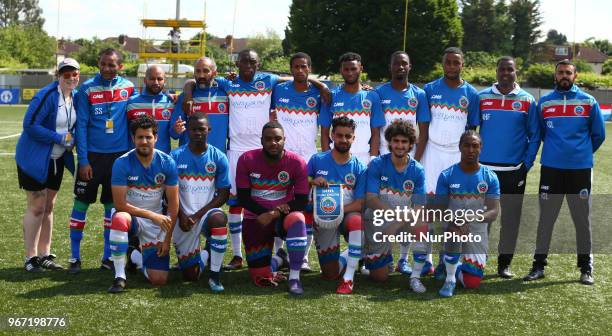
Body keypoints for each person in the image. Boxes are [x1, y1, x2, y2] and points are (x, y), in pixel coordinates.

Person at [181, 49, 329, 271]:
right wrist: (187, 92)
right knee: (236, 204)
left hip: (267, 148)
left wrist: (322, 85)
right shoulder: (228, 83)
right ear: (237, 64)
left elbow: (296, 77)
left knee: (282, 198)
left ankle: (283, 251)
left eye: (252, 61)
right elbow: (197, 79)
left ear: (259, 63)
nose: (248, 65)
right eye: (243, 61)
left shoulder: (268, 81)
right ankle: (238, 255)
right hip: (237, 151)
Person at [523, 59, 605, 285]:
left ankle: (586, 267)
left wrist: (582, 153)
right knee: (546, 219)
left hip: (579, 171)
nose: (564, 76)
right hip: (551, 170)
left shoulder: (589, 102)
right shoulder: (545, 103)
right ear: (555, 75)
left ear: (575, 76)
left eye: (568, 72)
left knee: (581, 220)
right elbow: (538, 134)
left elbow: (598, 135)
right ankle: (538, 265)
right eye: (560, 72)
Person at [69, 48, 138, 273]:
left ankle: (108, 258)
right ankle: (74, 257)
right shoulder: (87, 89)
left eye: (112, 65)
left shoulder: (128, 88)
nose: (107, 68)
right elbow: (81, 126)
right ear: (98, 64)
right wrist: (84, 160)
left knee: (112, 209)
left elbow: (132, 124)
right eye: (103, 64)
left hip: (118, 159)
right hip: (92, 158)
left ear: (120, 66)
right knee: (81, 205)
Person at [15, 58, 80, 272]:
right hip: (33, 158)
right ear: (58, 76)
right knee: (37, 206)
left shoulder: (75, 97)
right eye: (66, 74)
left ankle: (45, 254)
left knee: (49, 205)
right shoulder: (47, 95)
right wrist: (58, 138)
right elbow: (30, 124)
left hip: (57, 158)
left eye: (74, 74)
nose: (70, 78)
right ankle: (30, 258)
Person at [421, 47, 480, 276]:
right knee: (427, 209)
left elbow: (471, 131)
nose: (452, 66)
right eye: (448, 62)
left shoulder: (472, 94)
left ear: (462, 65)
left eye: (456, 63)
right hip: (432, 153)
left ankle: (448, 261)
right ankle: (426, 259)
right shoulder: (429, 89)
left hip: (456, 156)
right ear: (443, 64)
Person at [478, 56, 539, 278]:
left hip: (514, 171)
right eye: (502, 69)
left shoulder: (527, 100)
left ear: (516, 72)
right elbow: (471, 129)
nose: (505, 73)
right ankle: (478, 261)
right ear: (496, 71)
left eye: (510, 69)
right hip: (484, 171)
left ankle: (504, 264)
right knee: (483, 219)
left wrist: (526, 165)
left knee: (510, 221)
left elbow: (535, 136)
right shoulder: (482, 97)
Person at [235, 121, 310, 295]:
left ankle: (294, 277)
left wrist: (274, 213)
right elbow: (243, 198)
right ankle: (278, 259)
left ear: (284, 140)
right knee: (261, 276)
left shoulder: (297, 162)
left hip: (282, 218)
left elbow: (301, 200)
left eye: (277, 139)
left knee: (298, 219)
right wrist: (264, 214)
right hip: (256, 218)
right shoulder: (246, 159)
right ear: (261, 141)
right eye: (268, 139)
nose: (273, 143)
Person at [107, 114, 179, 293]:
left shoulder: (167, 162)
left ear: (156, 138)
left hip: (157, 223)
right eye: (140, 137)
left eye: (148, 137)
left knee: (159, 280)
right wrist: (152, 215)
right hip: (134, 218)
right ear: (133, 139)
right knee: (119, 218)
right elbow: (120, 204)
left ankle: (134, 256)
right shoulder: (121, 163)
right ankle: (119, 276)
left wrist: (166, 238)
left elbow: (173, 206)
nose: (144, 141)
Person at [374, 51, 429, 275]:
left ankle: (404, 259)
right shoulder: (378, 93)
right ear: (390, 67)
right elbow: (375, 129)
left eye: (404, 63)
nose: (400, 67)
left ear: (410, 66)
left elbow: (423, 132)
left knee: (410, 210)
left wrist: (413, 162)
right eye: (396, 63)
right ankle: (380, 254)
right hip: (384, 158)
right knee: (381, 209)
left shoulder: (420, 94)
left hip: (409, 159)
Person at [270, 52, 322, 272]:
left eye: (304, 66)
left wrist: (321, 85)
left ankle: (303, 257)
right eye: (296, 67)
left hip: (309, 157)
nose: (300, 70)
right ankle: (278, 251)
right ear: (290, 69)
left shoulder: (319, 95)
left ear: (309, 68)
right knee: (279, 202)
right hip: (284, 157)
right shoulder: (278, 90)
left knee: (307, 206)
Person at [364, 120, 428, 292]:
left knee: (424, 226)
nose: (400, 145)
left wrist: (396, 223)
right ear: (390, 142)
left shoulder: (418, 170)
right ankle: (361, 253)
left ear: (411, 144)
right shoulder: (377, 164)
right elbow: (371, 199)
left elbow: (419, 206)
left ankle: (415, 277)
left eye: (404, 142)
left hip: (402, 221)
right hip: (378, 220)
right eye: (396, 141)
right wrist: (395, 217)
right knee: (380, 278)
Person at [435, 131, 500, 297]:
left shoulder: (490, 177)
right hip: (452, 227)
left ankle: (451, 264)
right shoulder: (446, 175)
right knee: (455, 232)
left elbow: (493, 212)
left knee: (472, 283)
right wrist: (456, 220)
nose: (471, 150)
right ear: (460, 147)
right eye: (467, 145)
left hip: (477, 231)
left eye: (475, 146)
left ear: (481, 148)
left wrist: (468, 218)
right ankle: (449, 279)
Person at [171, 112, 230, 292]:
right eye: (193, 129)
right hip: (181, 217)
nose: (198, 133)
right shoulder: (174, 156)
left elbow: (223, 195)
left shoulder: (218, 157)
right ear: (187, 130)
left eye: (201, 129)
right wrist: (181, 215)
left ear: (209, 130)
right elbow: (168, 193)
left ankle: (215, 276)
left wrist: (197, 216)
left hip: (204, 215)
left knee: (220, 220)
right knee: (191, 276)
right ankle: (207, 253)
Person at [308, 116, 367, 294]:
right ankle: (356, 254)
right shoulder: (317, 160)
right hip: (324, 219)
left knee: (358, 222)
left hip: (347, 215)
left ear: (353, 138)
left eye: (348, 136)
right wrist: (312, 181)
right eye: (339, 135)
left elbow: (360, 203)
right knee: (330, 274)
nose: (343, 140)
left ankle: (356, 260)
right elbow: (301, 182)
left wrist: (337, 210)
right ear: (332, 135)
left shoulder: (359, 167)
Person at [320, 52, 385, 164]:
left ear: (361, 69)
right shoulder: (332, 96)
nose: (350, 73)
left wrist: (373, 159)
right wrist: (326, 160)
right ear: (341, 70)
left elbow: (375, 133)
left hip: (364, 158)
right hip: (336, 158)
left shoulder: (372, 96)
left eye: (354, 69)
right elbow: (324, 133)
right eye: (346, 69)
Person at [170, 57, 229, 153]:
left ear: (214, 73)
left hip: (218, 157)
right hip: (189, 158)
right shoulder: (185, 97)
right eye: (198, 71)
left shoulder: (226, 95)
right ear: (194, 73)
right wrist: (177, 129)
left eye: (206, 71)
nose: (201, 75)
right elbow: (173, 134)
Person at [127, 65, 176, 154]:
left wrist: (177, 130)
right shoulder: (131, 103)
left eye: (160, 79)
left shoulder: (171, 103)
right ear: (145, 80)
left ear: (165, 81)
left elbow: (175, 135)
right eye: (152, 79)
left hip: (162, 157)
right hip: (136, 157)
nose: (156, 82)